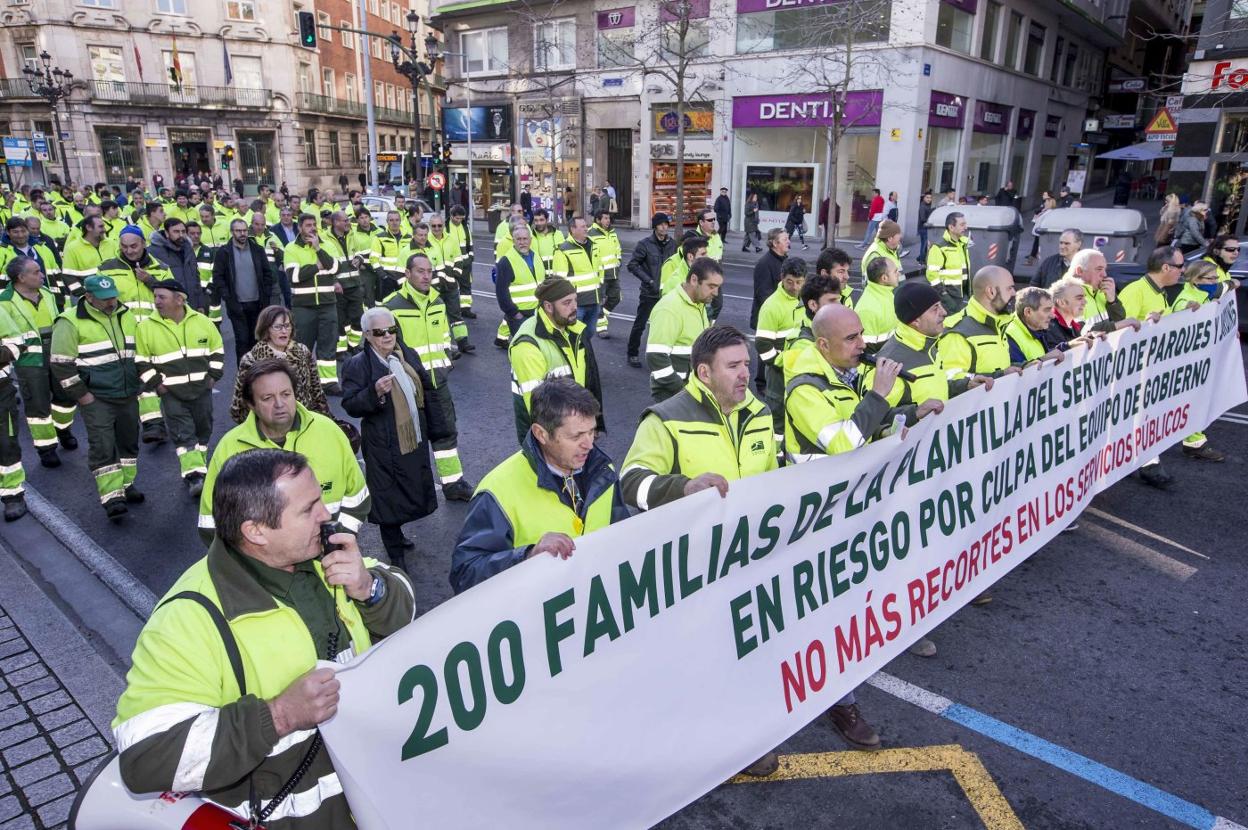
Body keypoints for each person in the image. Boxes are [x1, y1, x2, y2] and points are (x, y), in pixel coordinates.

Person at [114, 449, 413, 829]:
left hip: (376, 805)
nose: (326, 515)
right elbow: (145, 757)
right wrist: (279, 715)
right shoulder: (187, 618)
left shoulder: (327, 554)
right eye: (309, 509)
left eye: (320, 499)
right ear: (255, 531)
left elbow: (408, 612)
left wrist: (369, 588)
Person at [618, 326, 783, 774]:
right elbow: (631, 484)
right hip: (694, 567)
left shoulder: (759, 413)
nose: (746, 374)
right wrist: (683, 486)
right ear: (704, 372)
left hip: (748, 558)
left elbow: (773, 475)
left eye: (747, 363)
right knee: (702, 663)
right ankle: (703, 746)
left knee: (745, 653)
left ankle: (740, 736)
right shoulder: (665, 418)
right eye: (734, 366)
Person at [451, 378, 627, 594]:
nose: (589, 445)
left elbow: (623, 536)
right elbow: (465, 573)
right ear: (541, 434)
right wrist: (528, 556)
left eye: (592, 432)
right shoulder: (498, 491)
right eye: (577, 436)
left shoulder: (603, 470)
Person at [199, 359, 370, 543]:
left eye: (286, 394)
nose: (279, 403)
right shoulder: (229, 449)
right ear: (251, 404)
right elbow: (211, 524)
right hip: (265, 569)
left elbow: (357, 498)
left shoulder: (329, 432)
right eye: (267, 398)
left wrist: (337, 541)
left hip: (329, 561)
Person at [342, 307, 451, 570]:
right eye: (380, 332)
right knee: (388, 495)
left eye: (391, 329)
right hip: (383, 443)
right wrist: (374, 392)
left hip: (411, 437)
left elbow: (426, 388)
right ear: (368, 335)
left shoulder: (406, 354)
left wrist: (438, 428)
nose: (388, 336)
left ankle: (399, 535)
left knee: (409, 487)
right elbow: (350, 403)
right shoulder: (357, 364)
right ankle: (394, 550)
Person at [382, 252, 475, 502]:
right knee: (410, 439)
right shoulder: (391, 307)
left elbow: (444, 336)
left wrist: (445, 364)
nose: (426, 276)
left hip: (438, 383)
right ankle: (413, 490)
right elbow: (383, 350)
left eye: (429, 271)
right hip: (409, 387)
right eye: (420, 271)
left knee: (446, 432)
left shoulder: (437, 302)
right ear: (407, 273)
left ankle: (453, 484)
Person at [50, 275, 144, 520]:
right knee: (102, 445)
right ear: (88, 297)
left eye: (113, 296)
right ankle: (112, 497)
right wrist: (83, 396)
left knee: (128, 442)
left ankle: (126, 484)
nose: (111, 302)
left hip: (127, 392)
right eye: (104, 299)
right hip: (97, 397)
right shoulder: (69, 322)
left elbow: (139, 350)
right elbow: (61, 365)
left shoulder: (126, 314)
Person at [135, 280, 223, 497]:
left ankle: (200, 466)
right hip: (172, 394)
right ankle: (194, 475)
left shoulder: (203, 322)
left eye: (161, 297)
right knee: (184, 434)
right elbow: (141, 362)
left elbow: (217, 352)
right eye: (155, 296)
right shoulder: (145, 328)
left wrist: (213, 377)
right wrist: (158, 385)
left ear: (179, 299)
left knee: (204, 430)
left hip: (201, 391)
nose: (156, 301)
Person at [2, 257, 78, 468]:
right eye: (36, 272)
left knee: (66, 395)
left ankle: (63, 429)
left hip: (56, 352)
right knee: (37, 404)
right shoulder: (4, 301)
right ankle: (46, 448)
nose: (42, 275)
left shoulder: (46, 293)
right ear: (21, 277)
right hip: (29, 358)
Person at [100, 226, 173, 444]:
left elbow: (173, 295)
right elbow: (100, 299)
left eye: (134, 246)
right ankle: (153, 424)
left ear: (143, 244)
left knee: (164, 377)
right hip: (126, 334)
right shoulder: (108, 269)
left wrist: (150, 281)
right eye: (124, 246)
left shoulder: (160, 268)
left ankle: (166, 421)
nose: (129, 250)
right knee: (144, 377)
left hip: (157, 331)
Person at [509, 277, 603, 443]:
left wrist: (593, 423)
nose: (574, 307)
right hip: (550, 436)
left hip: (576, 426)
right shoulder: (528, 345)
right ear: (548, 306)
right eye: (566, 303)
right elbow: (538, 406)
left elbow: (590, 378)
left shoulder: (573, 330)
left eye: (575, 300)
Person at [230, 305, 330, 423]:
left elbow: (317, 393)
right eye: (278, 327)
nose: (284, 331)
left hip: (303, 425)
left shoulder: (303, 352)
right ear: (266, 329)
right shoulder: (251, 360)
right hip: (269, 428)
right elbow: (240, 407)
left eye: (287, 326)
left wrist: (324, 420)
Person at [646, 257, 721, 402]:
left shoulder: (698, 304)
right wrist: (680, 390)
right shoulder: (669, 309)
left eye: (718, 287)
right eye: (711, 286)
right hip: (674, 393)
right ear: (694, 280)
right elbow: (655, 357)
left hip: (691, 388)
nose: (716, 293)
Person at [283, 213, 342, 394]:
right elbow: (293, 276)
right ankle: (303, 382)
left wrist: (318, 250)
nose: (312, 228)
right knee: (302, 346)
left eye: (313, 224)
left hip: (327, 304)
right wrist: (316, 266)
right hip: (303, 307)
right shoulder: (291, 248)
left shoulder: (327, 245)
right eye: (308, 225)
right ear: (300, 227)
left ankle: (329, 383)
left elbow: (334, 268)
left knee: (328, 345)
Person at [939, 266, 1024, 384]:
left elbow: (1001, 366)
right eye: (1009, 288)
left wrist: (1027, 365)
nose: (1014, 293)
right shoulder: (958, 332)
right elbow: (949, 379)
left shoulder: (998, 322)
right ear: (991, 292)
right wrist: (998, 376)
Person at [213, 218, 273, 366]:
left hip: (257, 303)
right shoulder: (224, 252)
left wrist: (266, 294)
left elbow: (268, 274)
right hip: (237, 305)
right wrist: (227, 297)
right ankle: (244, 373)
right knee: (242, 340)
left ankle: (258, 370)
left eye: (244, 230)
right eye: (238, 231)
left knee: (257, 339)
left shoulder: (257, 250)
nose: (242, 234)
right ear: (232, 232)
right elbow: (218, 277)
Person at [626, 213, 677, 368]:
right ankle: (632, 353)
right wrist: (649, 280)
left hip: (667, 293)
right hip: (650, 292)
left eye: (666, 225)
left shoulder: (672, 244)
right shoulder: (645, 244)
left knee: (666, 325)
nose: (664, 227)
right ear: (655, 226)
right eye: (661, 225)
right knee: (640, 324)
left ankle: (664, 355)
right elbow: (632, 265)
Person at [551, 215, 603, 340]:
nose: (587, 229)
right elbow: (560, 281)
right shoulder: (563, 250)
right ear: (573, 230)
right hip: (576, 304)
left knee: (589, 333)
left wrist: (602, 293)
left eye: (586, 226)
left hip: (594, 301)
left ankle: (582, 356)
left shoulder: (594, 245)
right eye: (583, 226)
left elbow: (600, 272)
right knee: (575, 337)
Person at [1063, 248, 1139, 334]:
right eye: (1099, 269)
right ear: (1080, 271)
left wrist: (1113, 301)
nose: (1105, 274)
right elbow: (1080, 331)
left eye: (1104, 269)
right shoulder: (1067, 295)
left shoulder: (1100, 290)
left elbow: (1119, 320)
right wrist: (1117, 325)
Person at [426, 214, 473, 354]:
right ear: (430, 226)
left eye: (439, 225)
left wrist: (456, 274)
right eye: (433, 226)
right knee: (437, 317)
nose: (436, 228)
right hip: (434, 287)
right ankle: (442, 346)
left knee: (456, 315)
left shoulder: (451, 239)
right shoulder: (426, 241)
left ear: (443, 225)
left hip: (451, 285)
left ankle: (463, 342)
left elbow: (458, 259)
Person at [494, 224, 544, 349]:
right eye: (519, 239)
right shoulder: (506, 261)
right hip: (519, 315)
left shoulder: (536, 256)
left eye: (525, 239)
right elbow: (501, 293)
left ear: (530, 240)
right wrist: (514, 313)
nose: (522, 242)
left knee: (538, 348)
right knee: (525, 348)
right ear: (513, 240)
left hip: (537, 313)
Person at [1004, 287, 1067, 365]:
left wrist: (1068, 346)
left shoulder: (1036, 326)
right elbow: (1016, 373)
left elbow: (1047, 354)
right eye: (1047, 310)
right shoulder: (1009, 334)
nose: (1053, 316)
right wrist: (1041, 360)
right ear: (1028, 312)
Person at [925, 211, 970, 311]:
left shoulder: (962, 244)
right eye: (962, 225)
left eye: (965, 224)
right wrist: (945, 297)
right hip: (948, 299)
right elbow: (932, 276)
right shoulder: (939, 247)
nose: (966, 227)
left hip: (961, 296)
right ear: (951, 227)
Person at [855, 255, 901, 350]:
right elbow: (866, 350)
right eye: (895, 271)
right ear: (884, 278)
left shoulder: (886, 293)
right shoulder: (867, 310)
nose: (899, 274)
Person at [588, 209, 622, 337]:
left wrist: (618, 262)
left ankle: (600, 315)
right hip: (600, 275)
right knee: (599, 301)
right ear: (598, 220)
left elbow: (618, 249)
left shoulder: (612, 233)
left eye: (608, 218)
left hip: (613, 273)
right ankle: (601, 328)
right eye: (605, 218)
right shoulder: (591, 233)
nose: (608, 220)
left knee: (616, 297)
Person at [750, 228, 789, 329]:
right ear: (775, 243)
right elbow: (763, 295)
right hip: (768, 320)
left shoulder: (785, 260)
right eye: (785, 239)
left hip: (780, 318)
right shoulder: (764, 264)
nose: (789, 242)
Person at [448, 204, 476, 319]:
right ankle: (452, 310)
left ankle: (465, 309)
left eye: (461, 218)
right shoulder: (446, 227)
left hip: (465, 263)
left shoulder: (465, 227)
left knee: (466, 287)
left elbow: (470, 244)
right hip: (452, 263)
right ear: (451, 216)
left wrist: (470, 257)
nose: (459, 221)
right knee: (451, 287)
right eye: (457, 218)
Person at [1024, 195, 1057, 265]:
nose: (1045, 203)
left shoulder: (1050, 212)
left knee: (1038, 247)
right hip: (1038, 231)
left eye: (1046, 202)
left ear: (1050, 203)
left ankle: (1032, 260)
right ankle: (1032, 260)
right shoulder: (1044, 211)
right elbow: (1036, 219)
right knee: (1036, 246)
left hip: (1042, 232)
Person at [916, 191, 934, 261]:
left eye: (930, 198)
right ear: (924, 198)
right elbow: (923, 218)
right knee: (924, 245)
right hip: (923, 228)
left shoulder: (927, 205)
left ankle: (920, 258)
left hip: (924, 228)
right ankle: (921, 260)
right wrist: (931, 221)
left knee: (924, 245)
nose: (929, 199)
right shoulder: (923, 206)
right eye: (927, 197)